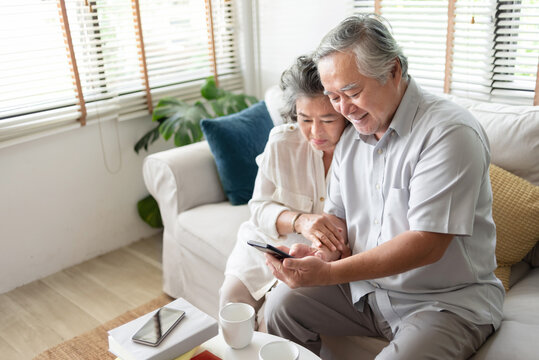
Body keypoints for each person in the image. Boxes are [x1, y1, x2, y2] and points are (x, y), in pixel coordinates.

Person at [264, 14, 505, 360]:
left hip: (444, 302)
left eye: (352, 92)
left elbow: (427, 244)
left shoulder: (448, 133)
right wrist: (319, 253)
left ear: (393, 71)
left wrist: (330, 272)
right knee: (280, 306)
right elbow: (339, 226)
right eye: (333, 97)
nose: (344, 109)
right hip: (366, 293)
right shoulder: (351, 140)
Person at [219, 55, 350, 328]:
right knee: (230, 305)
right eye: (305, 119)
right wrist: (301, 220)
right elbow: (259, 208)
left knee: (272, 320)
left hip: (315, 260)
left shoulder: (360, 155)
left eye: (327, 120)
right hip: (264, 246)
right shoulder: (282, 142)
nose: (315, 132)